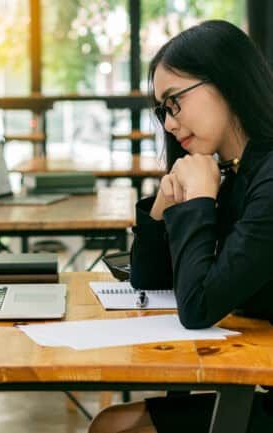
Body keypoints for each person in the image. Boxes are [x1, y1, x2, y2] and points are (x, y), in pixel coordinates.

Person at [89, 20, 273, 433]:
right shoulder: (233, 171)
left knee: (116, 427)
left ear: (226, 82)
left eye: (175, 102)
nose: (169, 123)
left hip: (264, 388)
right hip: (258, 375)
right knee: (114, 424)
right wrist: (163, 205)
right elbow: (149, 279)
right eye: (162, 110)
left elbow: (198, 307)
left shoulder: (267, 178)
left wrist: (202, 200)